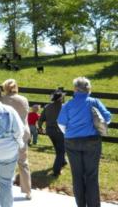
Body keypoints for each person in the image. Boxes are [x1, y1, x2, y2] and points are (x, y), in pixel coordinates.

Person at [58, 77, 111, 207]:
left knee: (77, 175)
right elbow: (107, 118)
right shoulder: (94, 102)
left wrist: (71, 134)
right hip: (92, 141)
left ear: (75, 89)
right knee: (91, 176)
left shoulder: (68, 104)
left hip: (72, 142)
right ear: (89, 89)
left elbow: (61, 124)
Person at [0, 79, 32, 200]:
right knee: (23, 162)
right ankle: (28, 191)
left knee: (6, 162)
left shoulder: (1, 100)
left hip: (7, 134)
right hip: (23, 133)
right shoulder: (23, 99)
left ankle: (5, 189)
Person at [38, 89, 68, 177]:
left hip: (50, 131)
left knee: (58, 148)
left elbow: (41, 119)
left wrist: (40, 127)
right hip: (60, 131)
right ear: (60, 98)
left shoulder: (47, 107)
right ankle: (56, 171)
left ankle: (63, 161)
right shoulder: (64, 107)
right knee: (61, 150)